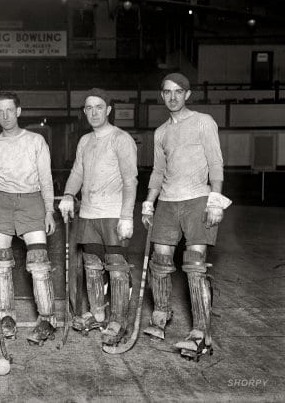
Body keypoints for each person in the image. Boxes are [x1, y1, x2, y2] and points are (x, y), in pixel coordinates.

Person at [141, 73, 231, 359]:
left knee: (194, 265)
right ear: (162, 95)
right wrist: (148, 202)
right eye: (167, 92)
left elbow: (216, 161)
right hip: (167, 201)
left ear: (188, 94)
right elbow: (157, 170)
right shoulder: (160, 132)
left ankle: (201, 334)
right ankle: (161, 318)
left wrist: (215, 200)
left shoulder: (204, 121)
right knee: (161, 261)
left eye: (178, 91)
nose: (172, 97)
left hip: (197, 199)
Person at [58, 88, 138, 349]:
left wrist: (127, 216)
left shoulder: (121, 139)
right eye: (88, 108)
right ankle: (98, 314)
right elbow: (77, 172)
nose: (93, 112)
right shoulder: (84, 141)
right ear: (84, 112)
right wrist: (69, 193)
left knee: (116, 268)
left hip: (114, 213)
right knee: (92, 266)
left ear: (109, 110)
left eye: (99, 107)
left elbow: (130, 179)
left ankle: (117, 320)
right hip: (89, 213)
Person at [0, 91, 57, 345]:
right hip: (1, 204)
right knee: (1, 265)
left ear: (18, 111)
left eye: (9, 110)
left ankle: (46, 319)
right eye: (0, 111)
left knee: (38, 264)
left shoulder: (36, 141)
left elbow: (46, 179)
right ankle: (6, 318)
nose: (5, 116)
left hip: (32, 201)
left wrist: (48, 211)